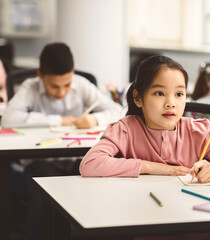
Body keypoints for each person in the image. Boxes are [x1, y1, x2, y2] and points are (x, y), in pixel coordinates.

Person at [80, 55, 210, 240]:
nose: (171, 103)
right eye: (159, 93)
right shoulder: (126, 129)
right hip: (150, 233)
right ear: (138, 98)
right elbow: (90, 164)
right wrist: (156, 168)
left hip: (202, 233)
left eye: (179, 94)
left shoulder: (198, 131)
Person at [1, 42, 125, 240]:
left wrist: (95, 119)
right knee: (44, 188)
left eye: (67, 85)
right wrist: (59, 120)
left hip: (78, 161)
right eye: (54, 86)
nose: (61, 92)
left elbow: (119, 112)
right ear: (40, 75)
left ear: (73, 73)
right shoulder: (30, 87)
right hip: (41, 163)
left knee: (105, 187)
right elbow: (9, 119)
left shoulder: (81, 84)